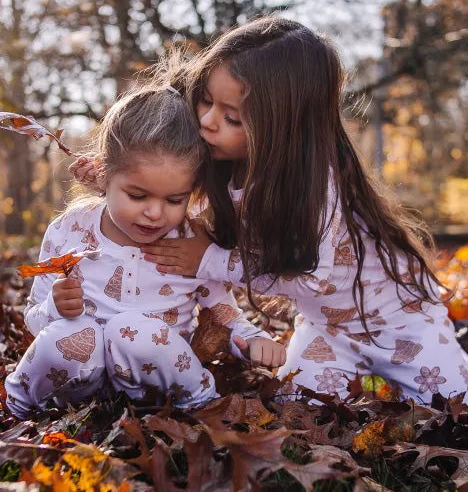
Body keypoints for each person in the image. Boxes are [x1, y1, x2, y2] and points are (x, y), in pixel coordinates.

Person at [72, 16, 468, 407]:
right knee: (298, 404)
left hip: (399, 321)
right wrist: (112, 186)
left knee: (464, 408)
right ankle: (357, 373)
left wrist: (212, 260)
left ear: (282, 125)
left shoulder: (313, 184)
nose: (208, 122)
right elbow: (168, 192)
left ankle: (464, 370)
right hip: (328, 330)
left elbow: (313, 280)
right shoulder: (220, 153)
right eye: (205, 101)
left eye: (232, 116)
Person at [5, 62, 283, 420]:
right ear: (104, 175)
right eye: (137, 196)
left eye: (173, 200)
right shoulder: (70, 230)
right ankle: (19, 405)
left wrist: (253, 341)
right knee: (75, 332)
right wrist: (55, 308)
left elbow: (222, 310)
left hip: (153, 385)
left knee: (131, 331)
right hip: (76, 382)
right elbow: (35, 320)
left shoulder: (189, 240)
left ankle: (199, 401)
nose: (155, 213)